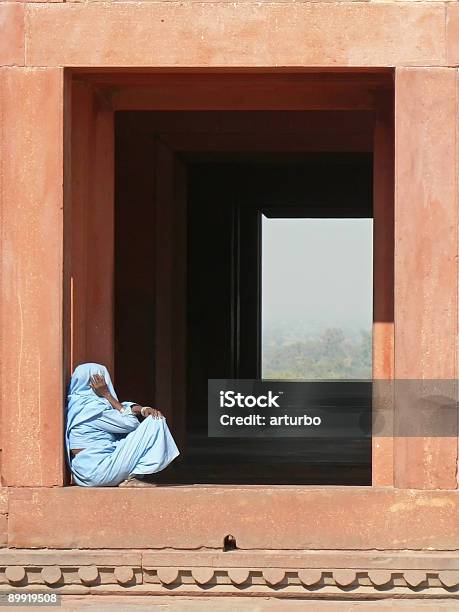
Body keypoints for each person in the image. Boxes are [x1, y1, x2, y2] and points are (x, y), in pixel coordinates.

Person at [65, 363, 179, 487]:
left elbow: (118, 410)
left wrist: (141, 409)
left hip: (83, 474)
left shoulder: (75, 406)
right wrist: (107, 394)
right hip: (100, 470)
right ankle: (132, 475)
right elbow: (130, 423)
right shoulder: (92, 409)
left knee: (122, 438)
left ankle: (127, 477)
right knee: (156, 421)